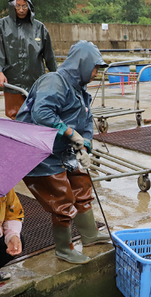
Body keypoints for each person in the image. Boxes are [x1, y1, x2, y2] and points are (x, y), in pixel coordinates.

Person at [16, 40, 110, 265]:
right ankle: (64, 248)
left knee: (82, 184)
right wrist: (70, 133)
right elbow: (42, 114)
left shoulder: (81, 90)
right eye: (96, 67)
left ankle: (89, 235)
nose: (97, 73)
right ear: (83, 64)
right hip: (41, 152)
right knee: (61, 198)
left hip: (66, 150)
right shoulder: (54, 81)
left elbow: (86, 122)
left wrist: (85, 145)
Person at [0, 0, 57, 120]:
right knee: (15, 114)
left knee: (38, 113)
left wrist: (56, 77)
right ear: (13, 6)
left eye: (24, 6)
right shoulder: (2, 25)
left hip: (35, 80)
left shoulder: (39, 27)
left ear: (29, 7)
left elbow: (49, 56)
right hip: (12, 79)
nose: (21, 10)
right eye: (18, 6)